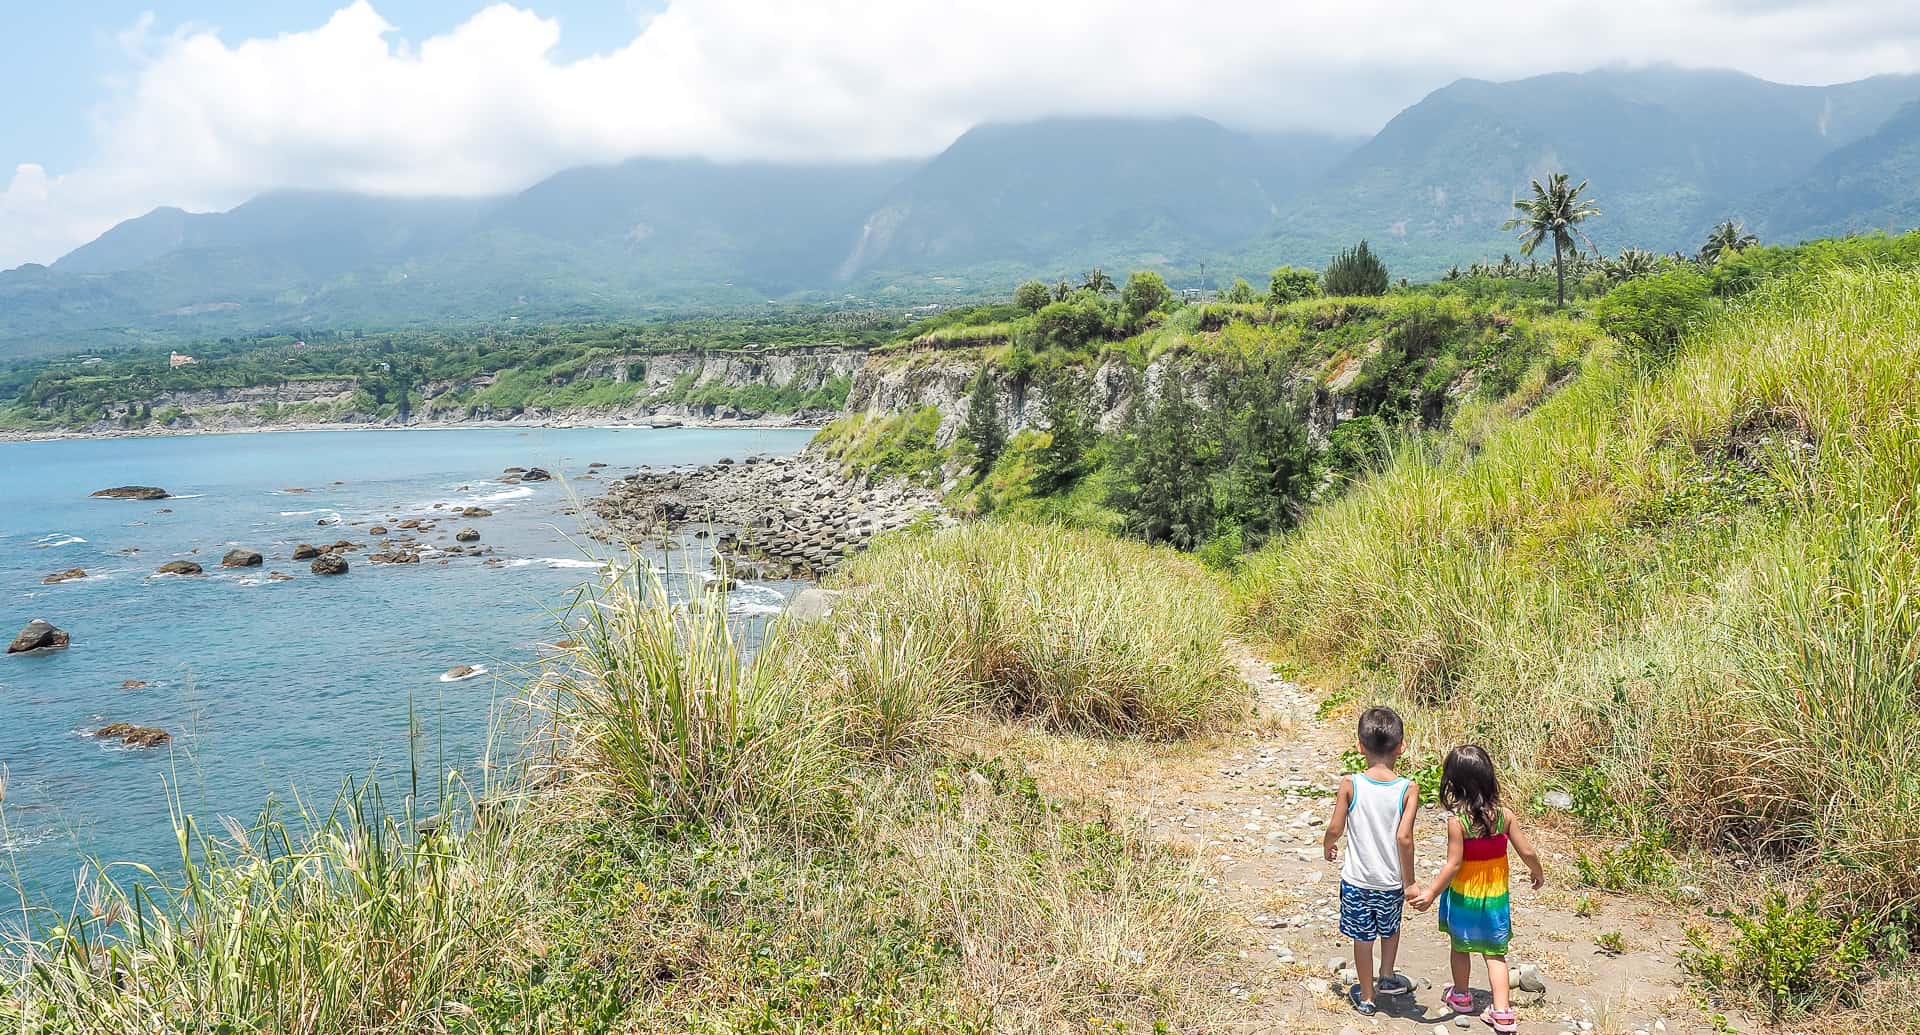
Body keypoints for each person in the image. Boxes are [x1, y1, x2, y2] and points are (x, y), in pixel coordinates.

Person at [1409, 744, 1545, 1034]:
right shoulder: (1505, 816)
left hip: (1463, 899)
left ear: (1453, 784)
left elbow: (1453, 865)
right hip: (1495, 900)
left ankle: (1461, 995)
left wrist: (1431, 892)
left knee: (1461, 946)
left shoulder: (1458, 823)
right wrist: (1537, 871)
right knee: (1495, 954)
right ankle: (1503, 1013)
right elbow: (1527, 851)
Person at [1322, 706, 1420, 1016]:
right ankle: (1388, 975)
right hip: (1391, 881)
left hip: (1357, 882)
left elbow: (1336, 827)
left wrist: (1328, 843)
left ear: (1360, 746)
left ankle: (1366, 996)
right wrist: (1411, 881)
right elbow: (1405, 838)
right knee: (1390, 929)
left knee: (1362, 939)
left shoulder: (1351, 784)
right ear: (1401, 746)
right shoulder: (1408, 789)